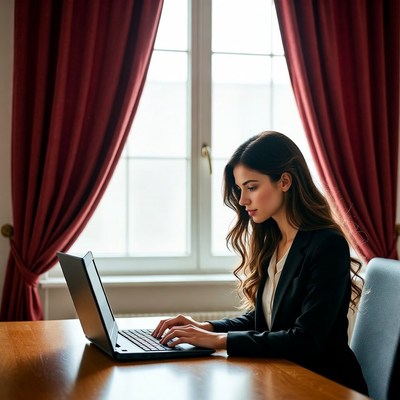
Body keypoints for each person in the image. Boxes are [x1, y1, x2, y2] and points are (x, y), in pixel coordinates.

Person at [152, 131, 368, 395]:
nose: (242, 200)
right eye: (240, 189)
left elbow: (305, 339)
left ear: (285, 181)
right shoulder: (272, 240)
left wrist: (219, 340)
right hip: (284, 379)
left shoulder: (327, 245)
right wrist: (204, 327)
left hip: (323, 385)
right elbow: (267, 318)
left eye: (251, 187)